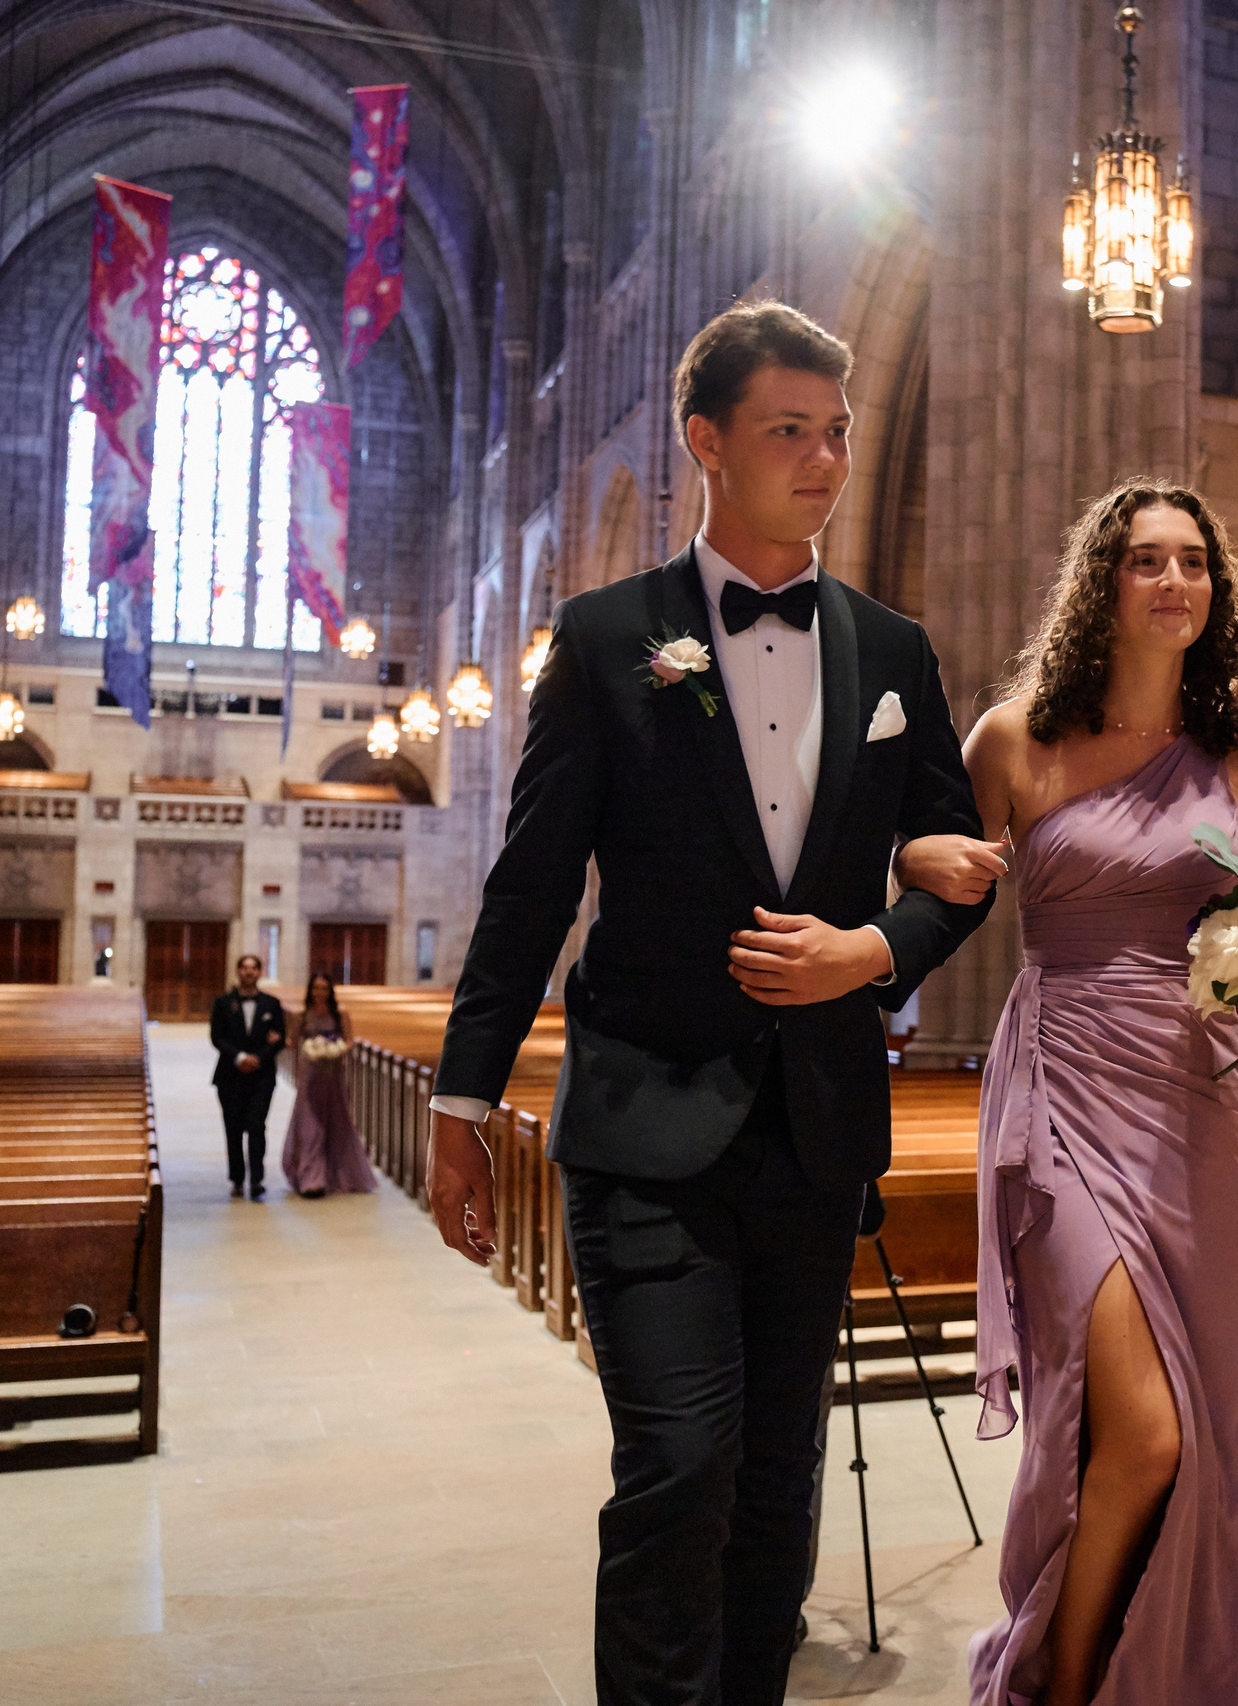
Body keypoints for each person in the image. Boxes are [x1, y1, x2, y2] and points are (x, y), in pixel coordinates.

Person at [425, 300, 996, 1706]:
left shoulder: (894, 653)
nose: (825, 459)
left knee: (778, 1484)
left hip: (816, 1129)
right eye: (789, 431)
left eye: (837, 432)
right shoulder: (611, 638)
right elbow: (531, 884)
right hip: (644, 1116)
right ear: (709, 444)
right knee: (682, 1459)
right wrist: (460, 1094)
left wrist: (877, 949)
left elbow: (961, 868)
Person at [904, 479, 1238, 1706]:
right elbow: (933, 901)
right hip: (1066, 1084)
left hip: (1201, 1099)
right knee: (1139, 1429)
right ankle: (1064, 1681)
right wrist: (900, 854)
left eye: (1194, 561)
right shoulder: (1013, 739)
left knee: (1196, 1430)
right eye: (1147, 560)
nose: (1175, 581)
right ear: (1104, 580)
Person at [280, 972, 378, 1199]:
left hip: (334, 1075)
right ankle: (311, 1178)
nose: (319, 993)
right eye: (316, 988)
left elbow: (350, 1039)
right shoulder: (302, 1015)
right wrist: (283, 1041)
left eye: (324, 988)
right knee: (310, 1125)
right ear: (310, 990)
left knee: (336, 1122)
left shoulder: (340, 1013)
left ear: (330, 991)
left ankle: (337, 1174)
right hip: (310, 1075)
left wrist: (337, 1049)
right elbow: (292, 1042)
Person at [209, 953, 289, 1200]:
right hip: (230, 1075)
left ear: (259, 972)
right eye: (244, 968)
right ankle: (236, 1179)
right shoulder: (223, 1003)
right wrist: (240, 1057)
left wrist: (259, 1058)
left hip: (262, 1076)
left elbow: (280, 1038)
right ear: (237, 972)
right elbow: (217, 1037)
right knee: (232, 1129)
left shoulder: (271, 1004)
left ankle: (256, 1179)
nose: (249, 972)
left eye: (253, 968)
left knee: (257, 1126)